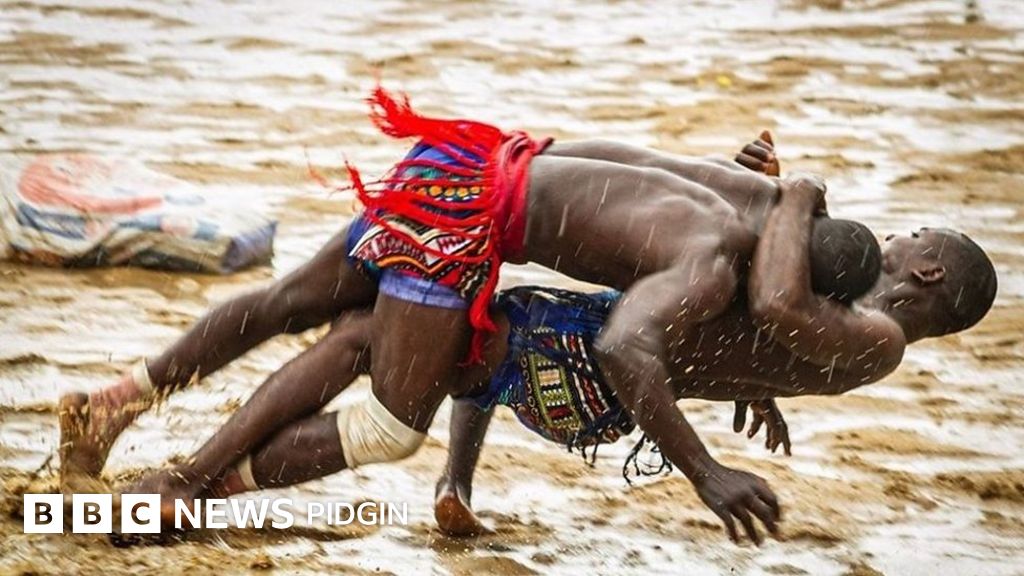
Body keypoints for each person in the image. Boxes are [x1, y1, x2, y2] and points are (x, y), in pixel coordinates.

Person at [62, 88, 997, 545]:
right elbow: (742, 315)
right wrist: (706, 473)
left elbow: (778, 307)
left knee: (301, 309)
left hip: (468, 163)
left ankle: (117, 401)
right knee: (388, 422)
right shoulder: (729, 257)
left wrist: (762, 353)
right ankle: (183, 486)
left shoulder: (728, 205)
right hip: (471, 224)